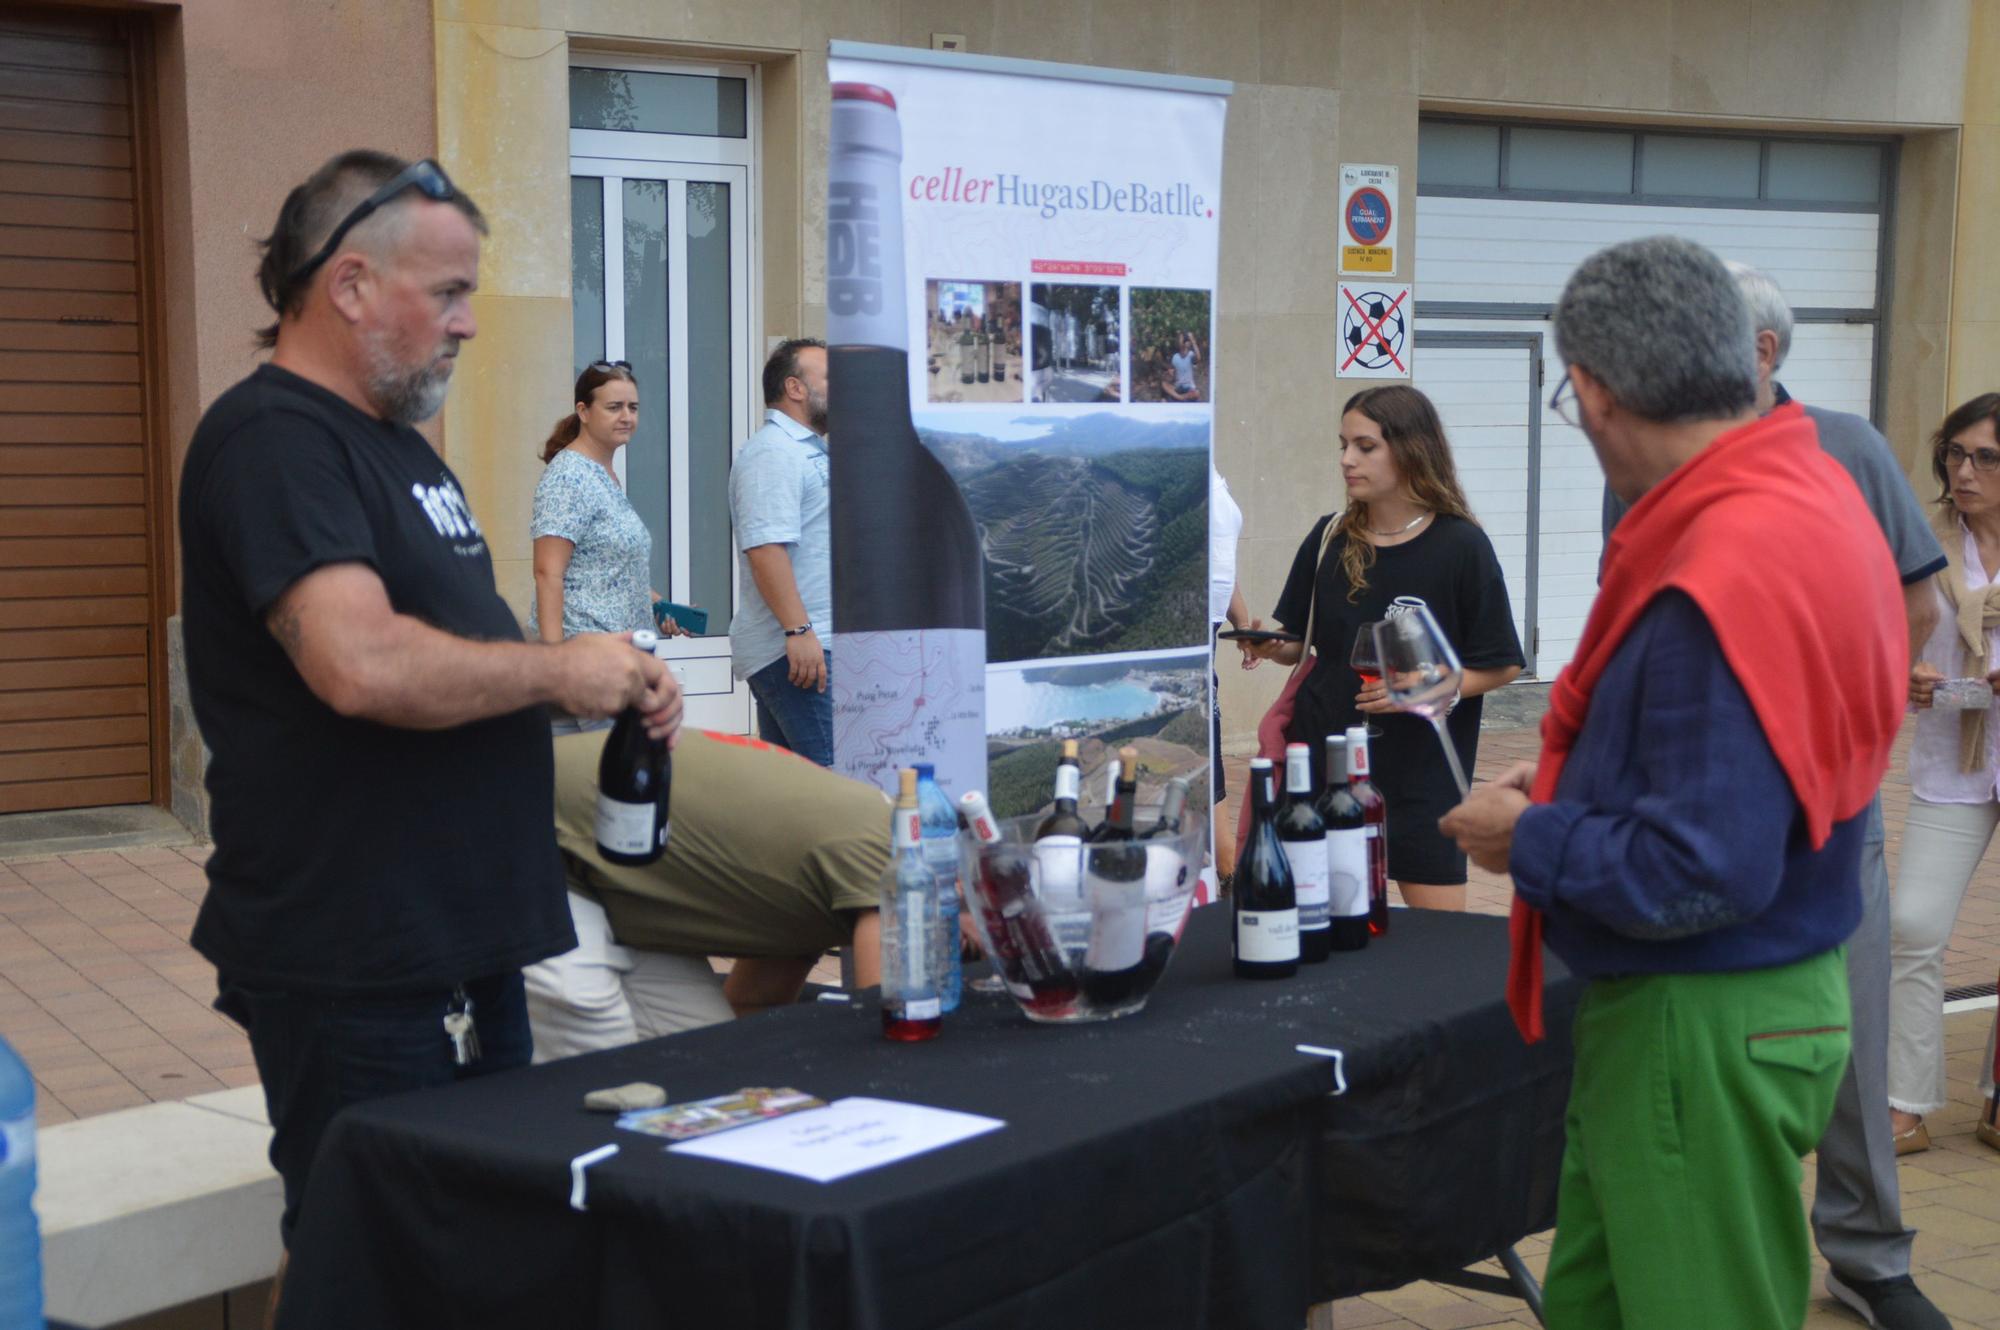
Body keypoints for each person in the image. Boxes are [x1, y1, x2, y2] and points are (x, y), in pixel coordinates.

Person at [176, 151, 682, 1273]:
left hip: (451, 943)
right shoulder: (276, 441)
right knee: (368, 1262)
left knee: (461, 1259)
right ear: (349, 285)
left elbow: (459, 653)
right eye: (446, 293)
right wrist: (556, 675)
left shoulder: (396, 449)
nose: (465, 325)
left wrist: (596, 673)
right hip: (358, 959)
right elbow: (357, 663)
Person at [1443, 235, 1906, 1330]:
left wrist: (1530, 838)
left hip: (1699, 1010)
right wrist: (1581, 780)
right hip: (1745, 998)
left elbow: (1700, 871)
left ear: (1594, 392)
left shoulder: (1719, 560)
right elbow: (1764, 751)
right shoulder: (1807, 490)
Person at [1605, 264, 1950, 1330]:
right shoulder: (1645, 465)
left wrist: (1835, 724)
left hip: (1821, 802)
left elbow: (1916, 599)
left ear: (1758, 352)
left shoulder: (1847, 447)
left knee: (1842, 1017)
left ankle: (1865, 1254)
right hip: (1694, 802)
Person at [1240, 384, 1523, 911]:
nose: (1347, 460)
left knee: (1437, 948)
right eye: (1343, 445)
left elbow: (1502, 662)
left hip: (1421, 769)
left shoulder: (1461, 546)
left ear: (1412, 448)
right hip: (1326, 761)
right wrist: (1270, 643)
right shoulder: (1330, 536)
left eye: (1365, 446)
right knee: (1324, 928)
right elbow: (1302, 642)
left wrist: (1429, 688)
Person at [524, 728, 889, 1058]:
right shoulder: (899, 861)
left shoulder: (849, 867)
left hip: (613, 862)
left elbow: (752, 1006)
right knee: (597, 1042)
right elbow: (890, 1032)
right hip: (534, 827)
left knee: (708, 1056)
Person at [1891, 394, 2000, 1164]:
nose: (1963, 471)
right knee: (1914, 927)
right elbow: (1875, 640)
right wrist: (1909, 673)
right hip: (1948, 764)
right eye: (1954, 455)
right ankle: (1905, 1104)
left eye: (1985, 457)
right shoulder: (1923, 545)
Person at [529, 360, 684, 733]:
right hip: (589, 662)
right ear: (583, 411)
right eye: (614, 407)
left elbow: (601, 566)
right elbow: (548, 572)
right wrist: (556, 664)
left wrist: (654, 602)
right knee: (609, 781)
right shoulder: (570, 475)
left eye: (633, 407)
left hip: (620, 661)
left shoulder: (604, 473)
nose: (626, 416)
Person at [730, 338, 833, 766]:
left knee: (796, 795)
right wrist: (798, 631)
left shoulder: (806, 450)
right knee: (836, 789)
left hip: (809, 646)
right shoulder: (773, 453)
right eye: (831, 378)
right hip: (798, 651)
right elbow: (766, 548)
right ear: (796, 388)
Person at [1210, 464, 1249, 880]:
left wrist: (1240, 619)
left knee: (1207, 735)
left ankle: (1225, 864)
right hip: (1179, 622)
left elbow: (1222, 555)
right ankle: (1225, 866)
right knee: (1206, 735)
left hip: (1210, 621)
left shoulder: (1212, 468)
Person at [1163, 330, 1202, 402]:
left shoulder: (1191, 354)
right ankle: (1181, 397)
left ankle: (1180, 398)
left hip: (1189, 387)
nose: (1183, 340)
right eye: (1181, 338)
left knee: (1196, 393)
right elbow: (1173, 376)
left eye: (1185, 339)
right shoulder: (1175, 357)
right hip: (1178, 387)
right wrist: (1169, 374)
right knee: (1164, 384)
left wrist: (1193, 341)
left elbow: (1198, 358)